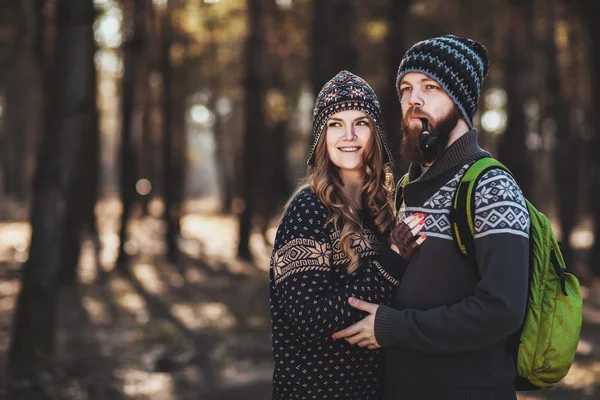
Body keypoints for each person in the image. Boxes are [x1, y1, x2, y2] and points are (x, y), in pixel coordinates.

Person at [333, 35, 531, 400]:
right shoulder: (408, 186)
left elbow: (501, 310)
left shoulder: (491, 186)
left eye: (430, 86)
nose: (413, 99)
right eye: (406, 88)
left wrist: (395, 328)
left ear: (461, 100)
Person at [269, 70, 425, 400]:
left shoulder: (382, 210)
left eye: (361, 122)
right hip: (315, 391)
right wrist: (390, 265)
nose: (349, 135)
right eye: (335, 124)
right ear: (322, 138)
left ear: (375, 134)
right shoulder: (308, 209)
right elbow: (308, 317)